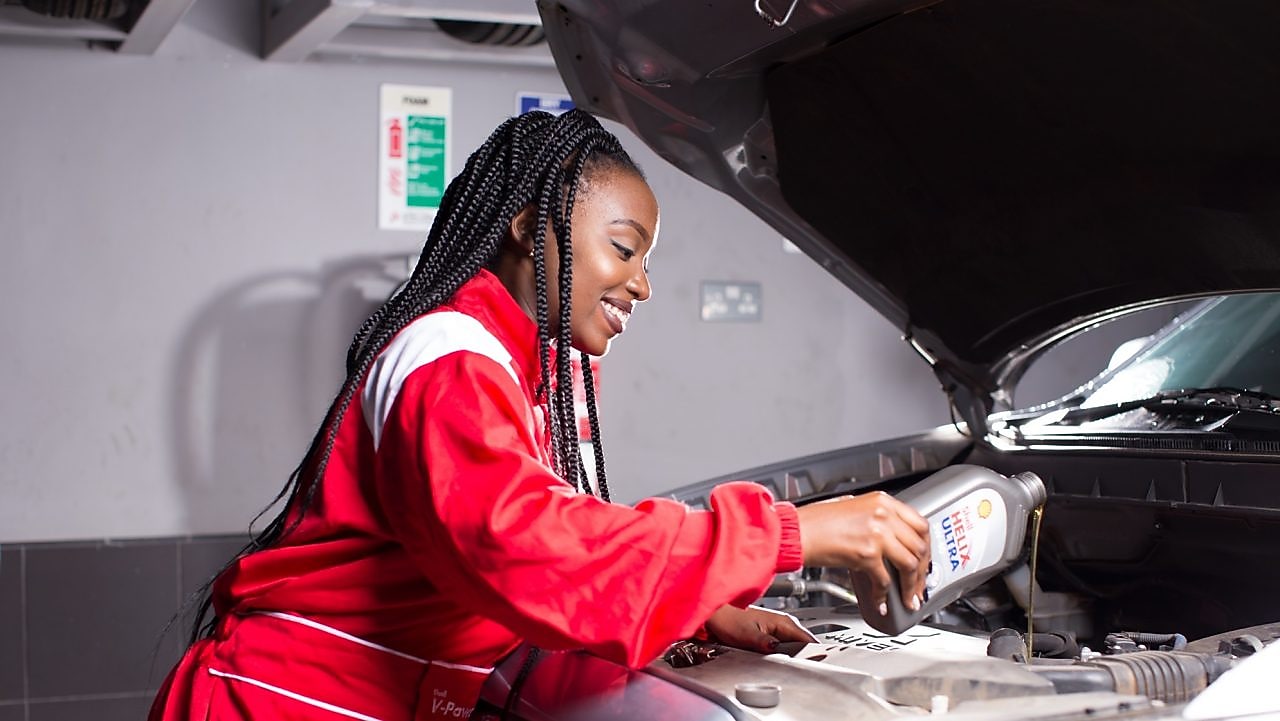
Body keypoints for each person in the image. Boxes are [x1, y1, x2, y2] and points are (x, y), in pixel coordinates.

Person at [149, 109, 931, 721]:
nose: (642, 286)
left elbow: (542, 563)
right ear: (530, 224)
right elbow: (533, 552)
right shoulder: (453, 363)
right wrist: (796, 531)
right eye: (624, 250)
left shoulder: (523, 369)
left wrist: (694, 612)